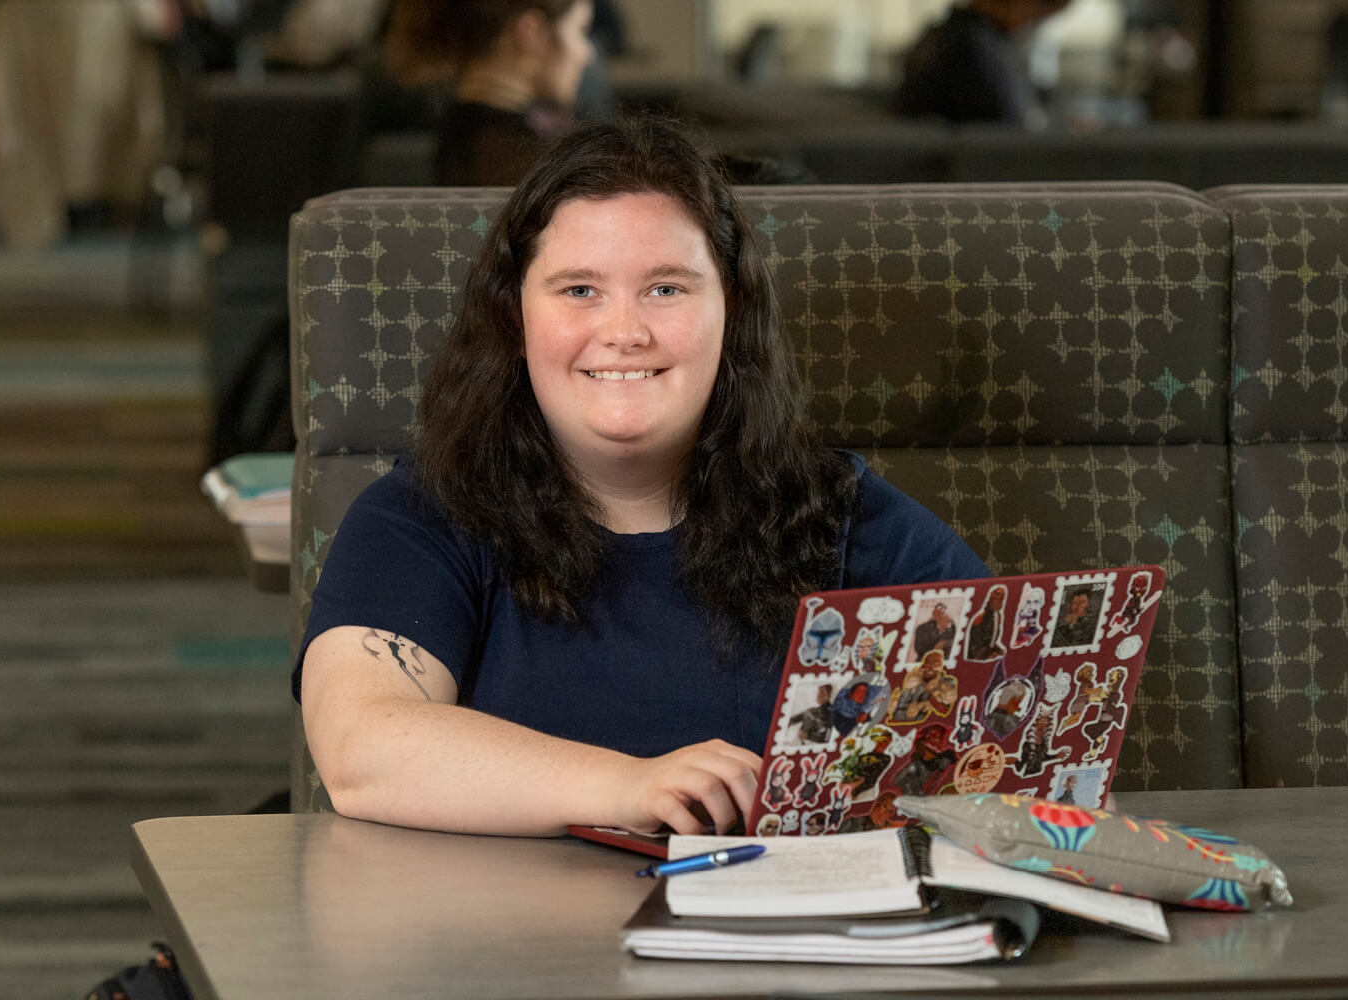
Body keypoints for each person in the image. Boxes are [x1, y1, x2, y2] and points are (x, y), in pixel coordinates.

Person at [295, 116, 989, 839]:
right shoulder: (421, 516)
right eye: (578, 291)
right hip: (498, 943)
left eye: (666, 290)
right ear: (515, 317)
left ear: (733, 311)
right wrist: (631, 784)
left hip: (776, 945)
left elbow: (1010, 706)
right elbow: (361, 750)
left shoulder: (836, 512)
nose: (624, 331)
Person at [380, 0, 596, 185]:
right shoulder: (524, 164)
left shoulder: (461, 136)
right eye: (580, 30)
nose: (587, 54)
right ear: (532, 32)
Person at [894, 0, 1072, 129]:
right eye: (1039, 12)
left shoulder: (960, 34)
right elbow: (1013, 126)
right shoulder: (976, 46)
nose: (1033, 22)